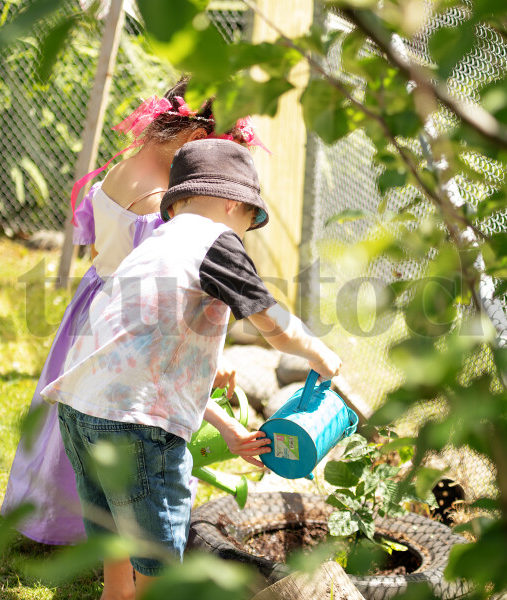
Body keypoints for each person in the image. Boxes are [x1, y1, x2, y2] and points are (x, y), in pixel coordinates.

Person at [41, 139, 342, 600]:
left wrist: (225, 428)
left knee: (118, 571)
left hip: (81, 411)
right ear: (232, 204)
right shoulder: (217, 241)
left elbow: (152, 365)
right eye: (249, 222)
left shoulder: (156, 245)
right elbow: (274, 325)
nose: (245, 234)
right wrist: (320, 355)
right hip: (135, 429)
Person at [1, 79, 260, 545]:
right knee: (116, 416)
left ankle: (48, 516)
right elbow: (170, 287)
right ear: (197, 141)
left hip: (95, 304)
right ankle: (94, 527)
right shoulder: (162, 202)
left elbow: (101, 245)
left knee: (75, 415)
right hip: (132, 318)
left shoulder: (122, 169)